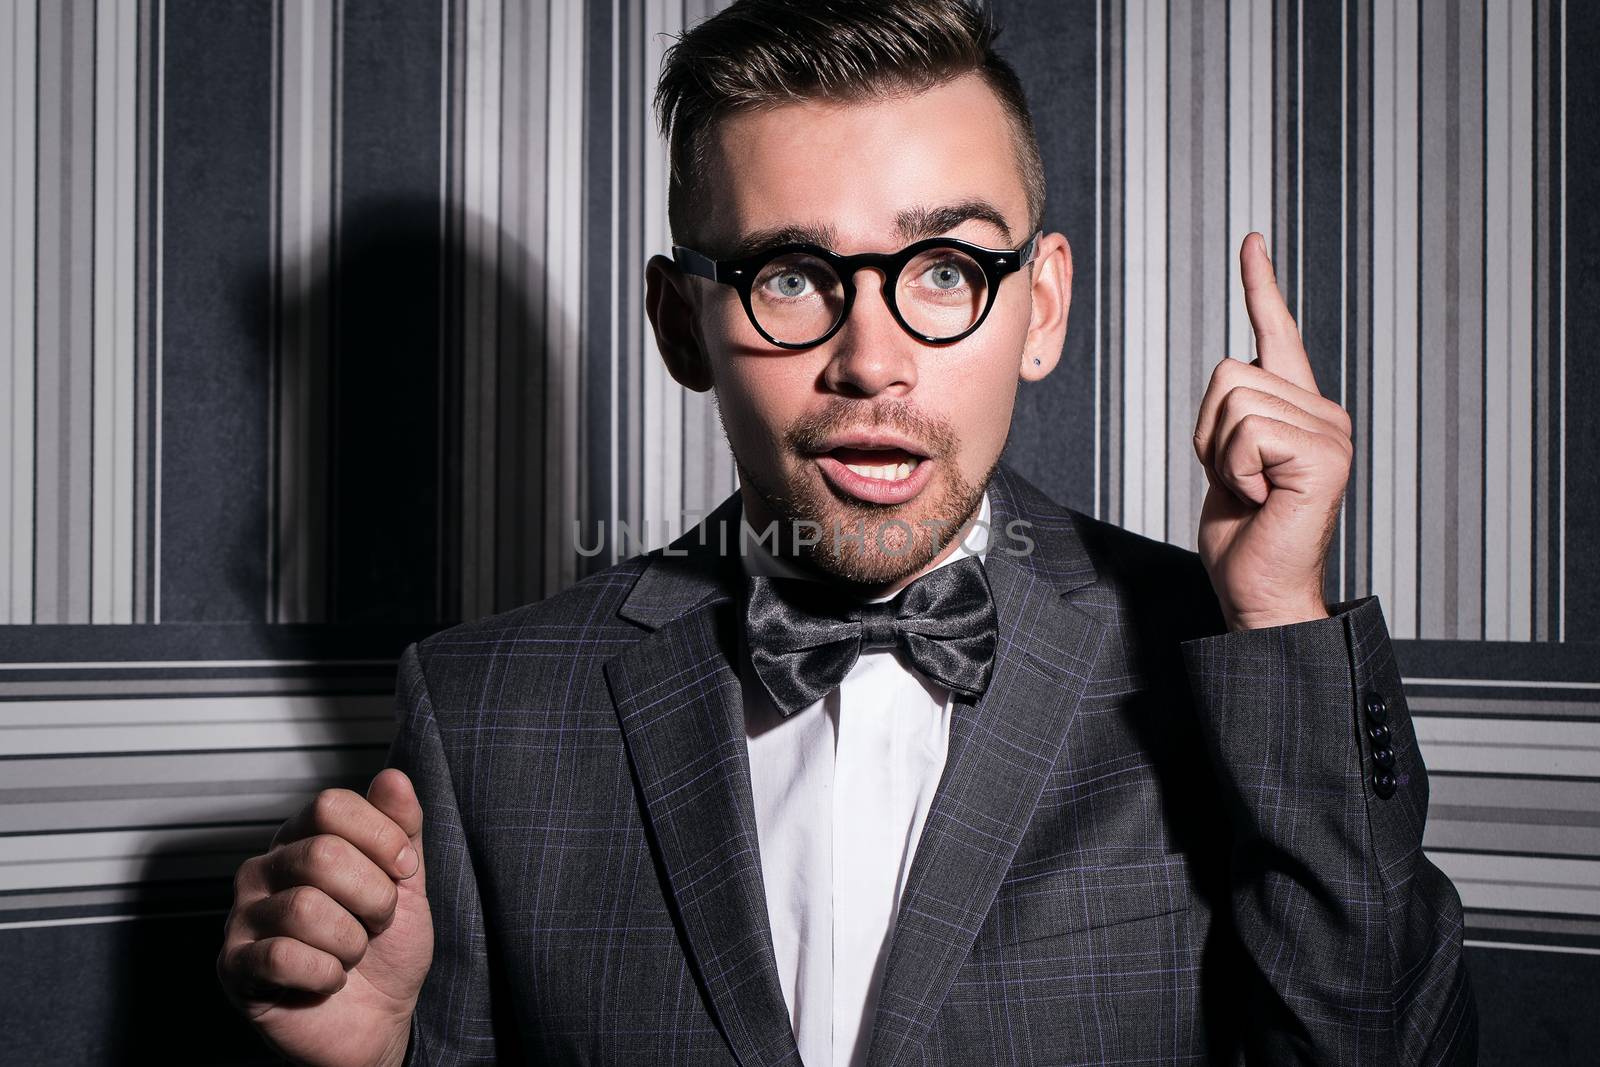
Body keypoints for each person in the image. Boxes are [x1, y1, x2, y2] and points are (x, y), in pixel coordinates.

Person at [217, 2, 1478, 1064]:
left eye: (943, 271)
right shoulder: (482, 709)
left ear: (1038, 308)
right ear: (678, 324)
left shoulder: (1236, 662)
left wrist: (1277, 619)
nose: (871, 362)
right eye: (790, 276)